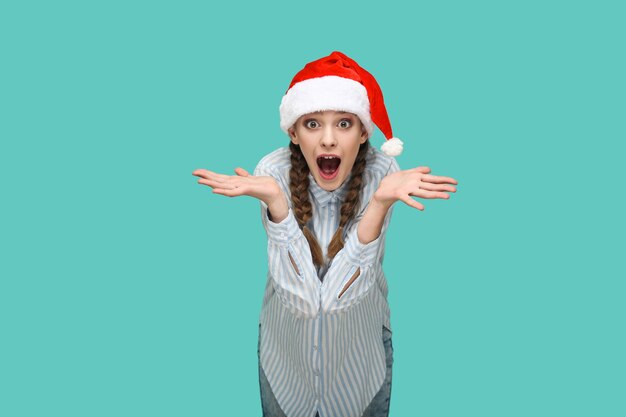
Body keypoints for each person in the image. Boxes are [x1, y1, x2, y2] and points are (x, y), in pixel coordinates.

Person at [192, 51, 459, 417]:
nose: (329, 140)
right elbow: (304, 301)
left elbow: (336, 301)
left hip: (360, 365)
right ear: (294, 132)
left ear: (365, 131)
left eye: (344, 124)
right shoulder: (271, 173)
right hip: (285, 364)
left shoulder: (384, 175)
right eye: (313, 124)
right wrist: (278, 206)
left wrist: (379, 203)